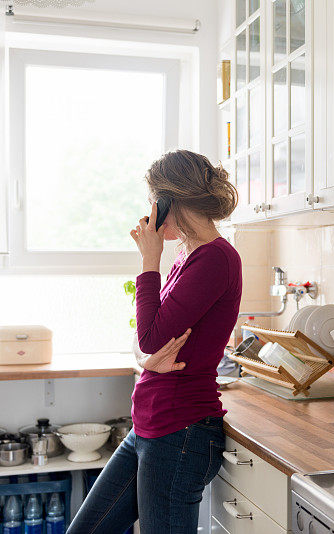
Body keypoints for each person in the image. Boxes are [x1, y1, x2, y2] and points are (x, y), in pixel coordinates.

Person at [68, 150, 242, 533]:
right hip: (150, 427)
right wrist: (145, 360)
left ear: (168, 201)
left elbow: (148, 336)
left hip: (181, 433)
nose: (149, 210)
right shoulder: (187, 258)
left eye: (152, 200)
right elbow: (145, 340)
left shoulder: (216, 259)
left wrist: (149, 260)